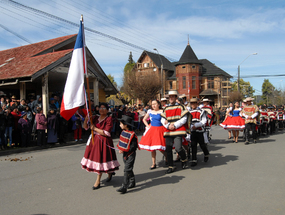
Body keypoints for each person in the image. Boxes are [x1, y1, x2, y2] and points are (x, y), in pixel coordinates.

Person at [81, 103, 120, 190]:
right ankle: (109, 172)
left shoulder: (109, 119)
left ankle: (98, 180)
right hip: (94, 141)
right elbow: (86, 128)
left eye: (104, 108)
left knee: (101, 159)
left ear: (107, 110)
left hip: (104, 141)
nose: (101, 109)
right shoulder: (94, 118)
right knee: (97, 159)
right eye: (100, 108)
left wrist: (94, 128)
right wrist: (86, 120)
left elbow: (106, 133)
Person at [160, 90, 189, 174]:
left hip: (178, 130)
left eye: (173, 96)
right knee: (168, 148)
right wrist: (168, 125)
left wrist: (175, 125)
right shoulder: (165, 108)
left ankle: (184, 159)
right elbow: (162, 119)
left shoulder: (181, 107)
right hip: (168, 130)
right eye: (170, 97)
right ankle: (171, 166)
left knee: (178, 147)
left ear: (176, 98)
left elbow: (184, 119)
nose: (171, 98)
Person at [139, 99, 166, 169]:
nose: (153, 105)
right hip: (152, 130)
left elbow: (166, 120)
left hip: (160, 130)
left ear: (158, 104)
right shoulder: (150, 111)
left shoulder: (162, 111)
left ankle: (167, 158)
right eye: (152, 104)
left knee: (161, 147)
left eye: (155, 104)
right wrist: (147, 126)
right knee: (152, 148)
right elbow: (144, 119)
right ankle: (153, 163)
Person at [116, 115, 139, 194]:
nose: (120, 125)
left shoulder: (132, 134)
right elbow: (122, 143)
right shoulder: (123, 132)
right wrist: (121, 149)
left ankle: (124, 186)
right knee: (128, 169)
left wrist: (125, 150)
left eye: (121, 123)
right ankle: (132, 182)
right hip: (125, 154)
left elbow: (133, 146)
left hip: (130, 154)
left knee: (126, 169)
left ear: (125, 125)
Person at [189, 98, 210, 167]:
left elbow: (204, 121)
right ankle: (194, 159)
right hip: (192, 131)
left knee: (202, 144)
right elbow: (188, 121)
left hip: (200, 130)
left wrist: (196, 125)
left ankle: (206, 153)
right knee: (193, 145)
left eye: (194, 103)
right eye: (192, 103)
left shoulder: (201, 111)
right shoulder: (189, 112)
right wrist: (191, 126)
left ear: (197, 104)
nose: (193, 105)